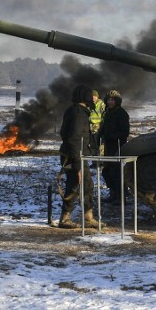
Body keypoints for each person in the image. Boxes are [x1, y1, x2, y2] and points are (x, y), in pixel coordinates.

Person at [57, 84, 99, 229]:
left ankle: (88, 217)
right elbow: (74, 138)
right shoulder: (78, 114)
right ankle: (65, 218)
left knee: (87, 185)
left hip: (75, 154)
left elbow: (64, 133)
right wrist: (78, 162)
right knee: (75, 185)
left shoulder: (75, 111)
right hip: (76, 156)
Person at [99, 89, 130, 204]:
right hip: (108, 146)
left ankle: (121, 197)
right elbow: (104, 127)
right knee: (106, 172)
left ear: (117, 101)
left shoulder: (122, 114)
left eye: (113, 100)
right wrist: (100, 134)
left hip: (118, 146)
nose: (110, 102)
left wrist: (110, 135)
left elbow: (125, 132)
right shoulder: (107, 112)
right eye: (109, 100)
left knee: (117, 173)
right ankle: (113, 193)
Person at [88, 90, 105, 157]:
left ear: (97, 97)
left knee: (100, 144)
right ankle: (94, 162)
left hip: (98, 127)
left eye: (94, 96)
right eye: (92, 97)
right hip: (90, 127)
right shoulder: (89, 104)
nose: (93, 98)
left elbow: (104, 114)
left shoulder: (101, 104)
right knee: (92, 144)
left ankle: (101, 161)